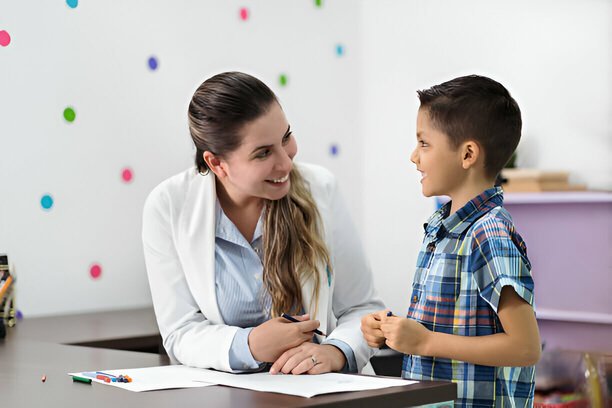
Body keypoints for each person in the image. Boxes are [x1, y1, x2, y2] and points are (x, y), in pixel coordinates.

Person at [143, 71, 383, 375]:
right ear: (216, 163)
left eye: (286, 138)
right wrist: (251, 344)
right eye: (263, 153)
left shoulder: (320, 188)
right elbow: (180, 331)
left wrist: (335, 352)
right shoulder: (167, 206)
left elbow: (363, 309)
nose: (286, 162)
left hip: (323, 392)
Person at [361, 75, 541, 406]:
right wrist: (394, 332)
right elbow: (448, 328)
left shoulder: (489, 234)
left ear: (468, 154)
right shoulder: (442, 230)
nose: (414, 157)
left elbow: (525, 347)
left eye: (424, 144)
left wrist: (426, 342)